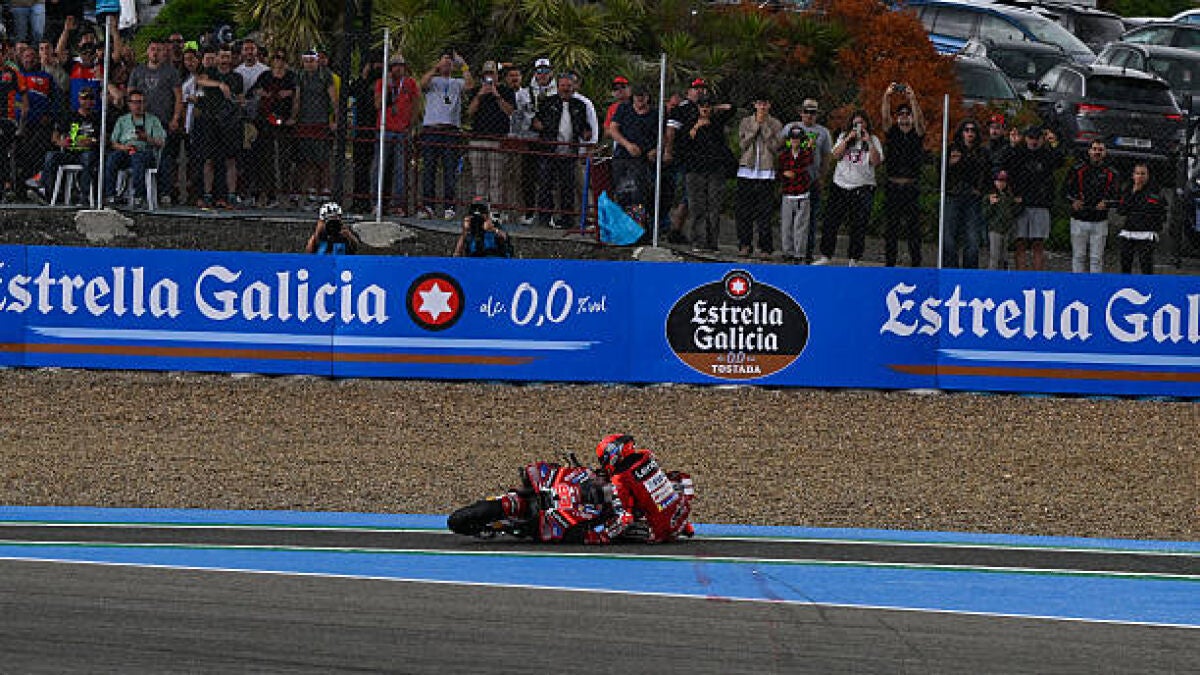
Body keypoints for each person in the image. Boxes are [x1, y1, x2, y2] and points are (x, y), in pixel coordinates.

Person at [593, 433, 694, 544]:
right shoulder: (647, 455)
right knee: (666, 481)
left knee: (623, 513)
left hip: (663, 532)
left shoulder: (619, 479)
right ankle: (686, 527)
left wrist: (602, 535)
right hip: (682, 511)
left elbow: (624, 518)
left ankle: (657, 530)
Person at [816, 109, 882, 266]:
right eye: (855, 123)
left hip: (862, 187)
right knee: (831, 222)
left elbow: (876, 161)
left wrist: (868, 142)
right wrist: (848, 139)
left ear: (866, 124)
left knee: (858, 224)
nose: (858, 126)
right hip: (841, 185)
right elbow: (835, 155)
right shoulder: (843, 136)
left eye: (861, 123)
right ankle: (826, 254)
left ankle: (854, 258)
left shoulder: (873, 139)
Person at [530, 72, 592, 229]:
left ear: (574, 87)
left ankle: (567, 219)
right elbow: (536, 121)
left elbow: (584, 127)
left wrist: (586, 134)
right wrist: (539, 125)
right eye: (563, 86)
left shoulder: (580, 105)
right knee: (545, 185)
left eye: (569, 86)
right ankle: (544, 218)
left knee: (567, 187)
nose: (566, 89)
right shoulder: (548, 102)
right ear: (557, 87)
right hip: (549, 151)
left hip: (569, 153)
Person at [128, 38, 183, 207]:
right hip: (142, 121)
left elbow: (178, 97)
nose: (155, 53)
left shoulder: (171, 72)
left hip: (163, 121)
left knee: (165, 158)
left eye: (159, 49)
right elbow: (130, 94)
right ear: (147, 51)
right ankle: (140, 193)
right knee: (141, 156)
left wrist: (175, 118)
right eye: (152, 49)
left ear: (164, 52)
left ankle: (165, 193)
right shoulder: (138, 71)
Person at [418, 49, 472, 219]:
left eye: (449, 62)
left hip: (450, 130)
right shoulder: (433, 81)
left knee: (450, 169)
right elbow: (422, 84)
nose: (447, 64)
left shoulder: (457, 82)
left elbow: (470, 86)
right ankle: (428, 206)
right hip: (431, 129)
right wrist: (436, 67)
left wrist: (463, 66)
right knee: (429, 168)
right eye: (444, 61)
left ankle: (449, 206)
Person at [1004, 125, 1065, 271]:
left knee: (1038, 244)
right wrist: (1012, 144)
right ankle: (1021, 276)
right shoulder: (1018, 153)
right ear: (1025, 138)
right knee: (1020, 243)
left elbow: (1060, 160)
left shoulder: (1047, 154)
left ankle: (1037, 277)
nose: (1034, 141)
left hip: (1041, 204)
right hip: (1021, 204)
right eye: (1031, 138)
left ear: (1042, 139)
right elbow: (1005, 163)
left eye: (1037, 138)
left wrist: (1054, 143)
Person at [683, 93, 736, 252]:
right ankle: (697, 240)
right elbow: (683, 142)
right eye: (702, 106)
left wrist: (716, 108)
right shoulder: (690, 120)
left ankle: (712, 242)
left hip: (715, 169)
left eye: (707, 106)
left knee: (714, 207)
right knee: (696, 207)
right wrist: (696, 126)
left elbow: (732, 108)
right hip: (695, 169)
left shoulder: (717, 121)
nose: (705, 109)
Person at [780, 98, 832, 263]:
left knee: (809, 220)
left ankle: (805, 252)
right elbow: (780, 149)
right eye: (806, 111)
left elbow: (826, 156)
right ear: (800, 112)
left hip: (811, 180)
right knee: (788, 220)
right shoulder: (789, 128)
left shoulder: (823, 132)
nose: (809, 115)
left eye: (813, 112)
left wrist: (822, 177)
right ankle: (788, 251)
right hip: (790, 182)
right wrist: (782, 172)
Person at [880, 83, 925, 267]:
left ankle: (916, 264)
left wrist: (912, 98)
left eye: (907, 113)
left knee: (913, 228)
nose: (904, 116)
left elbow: (920, 122)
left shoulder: (917, 134)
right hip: (893, 186)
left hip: (911, 186)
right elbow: (884, 118)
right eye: (901, 114)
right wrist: (887, 96)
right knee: (892, 228)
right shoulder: (892, 133)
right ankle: (890, 264)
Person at [193, 46, 244, 209]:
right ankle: (207, 194)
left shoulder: (237, 77)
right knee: (208, 159)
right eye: (222, 56)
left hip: (229, 123)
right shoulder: (210, 72)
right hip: (210, 121)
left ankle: (231, 195)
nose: (225, 60)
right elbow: (199, 80)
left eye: (227, 57)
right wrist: (220, 85)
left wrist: (237, 102)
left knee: (230, 159)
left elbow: (240, 98)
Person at [735, 93, 783, 258]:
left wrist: (765, 128)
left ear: (769, 105)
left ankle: (765, 247)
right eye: (759, 104)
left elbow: (776, 147)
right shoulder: (746, 122)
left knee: (765, 212)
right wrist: (756, 127)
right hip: (746, 170)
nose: (762, 107)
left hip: (766, 171)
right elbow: (743, 144)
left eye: (765, 104)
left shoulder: (775, 123)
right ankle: (744, 244)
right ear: (755, 105)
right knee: (744, 211)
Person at [248, 49, 297, 208]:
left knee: (284, 158)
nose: (278, 61)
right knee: (265, 157)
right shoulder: (265, 76)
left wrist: (292, 114)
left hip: (283, 121)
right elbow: (253, 91)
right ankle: (268, 193)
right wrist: (262, 93)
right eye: (276, 58)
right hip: (265, 121)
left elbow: (297, 96)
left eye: (281, 58)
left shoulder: (291, 77)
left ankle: (286, 192)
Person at [373, 54, 419, 216]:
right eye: (394, 66)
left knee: (400, 169)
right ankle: (377, 201)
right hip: (384, 129)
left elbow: (415, 105)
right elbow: (377, 104)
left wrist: (410, 124)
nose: (398, 69)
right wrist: (387, 89)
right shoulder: (382, 83)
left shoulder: (410, 83)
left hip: (401, 130)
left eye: (401, 66)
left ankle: (398, 204)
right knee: (379, 166)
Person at [103, 88, 166, 206]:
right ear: (129, 104)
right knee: (112, 158)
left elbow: (161, 142)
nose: (138, 106)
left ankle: (138, 196)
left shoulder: (153, 120)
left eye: (141, 102)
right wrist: (124, 148)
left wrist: (147, 138)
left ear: (145, 104)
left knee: (138, 159)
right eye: (135, 102)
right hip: (126, 151)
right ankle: (110, 195)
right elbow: (113, 142)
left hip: (145, 152)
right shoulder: (122, 120)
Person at [292, 48, 338, 209]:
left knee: (323, 159)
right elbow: (297, 98)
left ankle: (325, 192)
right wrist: (294, 117)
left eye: (312, 61)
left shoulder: (325, 75)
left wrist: (336, 119)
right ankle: (311, 192)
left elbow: (333, 98)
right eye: (306, 61)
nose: (309, 64)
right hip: (305, 122)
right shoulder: (300, 76)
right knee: (308, 158)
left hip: (321, 122)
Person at [465, 60, 514, 211]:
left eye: (491, 74)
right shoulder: (476, 91)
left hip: (497, 139)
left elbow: (509, 111)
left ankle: (495, 210)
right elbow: (469, 112)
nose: (489, 77)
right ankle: (480, 208)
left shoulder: (506, 91)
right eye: (486, 74)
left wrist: (496, 95)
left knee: (496, 178)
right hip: (478, 139)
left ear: (497, 75)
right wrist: (480, 95)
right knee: (479, 177)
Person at [1065, 140, 1118, 273]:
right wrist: (1073, 201)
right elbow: (1064, 192)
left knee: (1096, 258)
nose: (1097, 152)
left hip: (1100, 220)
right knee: (1078, 256)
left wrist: (1107, 203)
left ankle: (1095, 284)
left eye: (1100, 150)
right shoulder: (1077, 169)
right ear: (1089, 151)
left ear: (1105, 152)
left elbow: (1118, 197)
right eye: (1094, 149)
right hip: (1079, 219)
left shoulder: (1111, 173)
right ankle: (1077, 283)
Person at [941, 119, 988, 269]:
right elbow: (939, 173)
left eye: (973, 130)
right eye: (966, 130)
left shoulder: (981, 152)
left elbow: (986, 174)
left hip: (972, 198)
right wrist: (950, 164)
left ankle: (970, 274)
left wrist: (980, 189)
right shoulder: (951, 149)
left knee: (972, 239)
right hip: (953, 195)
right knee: (948, 238)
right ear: (961, 133)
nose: (969, 133)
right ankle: (950, 270)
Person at [40, 86, 99, 204]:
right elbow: (54, 137)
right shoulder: (69, 116)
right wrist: (61, 142)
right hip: (70, 153)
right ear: (79, 100)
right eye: (85, 98)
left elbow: (104, 139)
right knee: (50, 156)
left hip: (88, 153)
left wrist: (92, 141)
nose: (88, 101)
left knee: (88, 157)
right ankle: (48, 194)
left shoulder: (97, 118)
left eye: (91, 98)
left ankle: (84, 195)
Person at [607, 83, 657, 218]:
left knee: (639, 195)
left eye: (643, 96)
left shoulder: (655, 113)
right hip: (622, 157)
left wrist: (655, 150)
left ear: (648, 97)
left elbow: (663, 136)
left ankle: (638, 223)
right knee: (622, 192)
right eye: (637, 96)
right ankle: (621, 222)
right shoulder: (624, 109)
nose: (640, 99)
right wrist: (627, 145)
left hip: (643, 160)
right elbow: (613, 129)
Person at [1115, 163, 1165, 275]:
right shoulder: (1128, 190)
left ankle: (1147, 285)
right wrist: (1134, 193)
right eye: (1137, 173)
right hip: (1129, 231)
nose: (1140, 176)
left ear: (1148, 176)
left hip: (1146, 232)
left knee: (1146, 264)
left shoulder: (1155, 191)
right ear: (1133, 175)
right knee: (1125, 263)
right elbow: (1121, 211)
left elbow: (1160, 212)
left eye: (1143, 174)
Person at [778, 125, 815, 263]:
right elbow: (779, 173)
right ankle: (787, 251)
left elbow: (806, 165)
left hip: (802, 194)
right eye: (793, 139)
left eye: (798, 139)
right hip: (788, 193)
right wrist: (784, 174)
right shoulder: (784, 156)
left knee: (801, 226)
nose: (795, 141)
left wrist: (809, 147)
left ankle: (799, 253)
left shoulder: (806, 154)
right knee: (786, 225)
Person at [983, 169, 1020, 271]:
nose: (1001, 183)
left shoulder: (1009, 196)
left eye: (1004, 181)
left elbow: (1013, 212)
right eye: (999, 180)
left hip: (1007, 229)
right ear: (994, 182)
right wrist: (991, 204)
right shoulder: (990, 196)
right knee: (994, 256)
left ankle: (1004, 274)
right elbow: (985, 214)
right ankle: (992, 275)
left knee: (1005, 256)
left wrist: (1017, 204)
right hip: (995, 229)